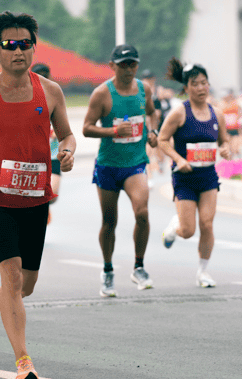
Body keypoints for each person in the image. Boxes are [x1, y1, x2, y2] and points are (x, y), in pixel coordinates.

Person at [0, 11, 75, 379]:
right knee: (14, 278)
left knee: (26, 285)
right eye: (10, 45)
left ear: (33, 48)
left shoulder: (50, 92)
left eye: (25, 44)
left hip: (36, 199)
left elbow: (67, 134)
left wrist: (67, 151)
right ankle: (24, 361)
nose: (18, 51)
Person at [83, 44, 159, 297]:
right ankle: (107, 270)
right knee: (109, 221)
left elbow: (152, 112)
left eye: (133, 64)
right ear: (112, 65)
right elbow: (86, 128)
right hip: (108, 166)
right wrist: (113, 131)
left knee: (143, 213)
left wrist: (153, 132)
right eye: (123, 64)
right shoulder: (102, 94)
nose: (128, 69)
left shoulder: (144, 89)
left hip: (135, 165)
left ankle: (139, 266)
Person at [157, 58, 231, 287]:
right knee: (188, 231)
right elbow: (162, 139)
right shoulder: (180, 112)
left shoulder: (216, 113)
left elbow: (224, 140)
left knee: (207, 224)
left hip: (208, 176)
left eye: (204, 83)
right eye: (195, 84)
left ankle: (203, 272)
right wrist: (179, 159)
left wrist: (225, 148)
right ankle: (174, 227)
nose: (201, 88)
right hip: (185, 178)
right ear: (186, 88)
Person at [31, 63, 61, 219]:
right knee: (33, 193)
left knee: (53, 195)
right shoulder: (26, 97)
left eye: (45, 75)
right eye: (38, 76)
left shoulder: (56, 96)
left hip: (53, 155)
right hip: (33, 156)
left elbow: (64, 127)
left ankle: (44, 206)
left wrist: (58, 131)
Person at [220, 90, 242, 159]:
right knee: (228, 148)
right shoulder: (222, 104)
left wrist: (237, 118)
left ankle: (237, 158)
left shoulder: (235, 104)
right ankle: (230, 162)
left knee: (235, 148)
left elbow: (241, 111)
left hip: (235, 128)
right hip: (226, 128)